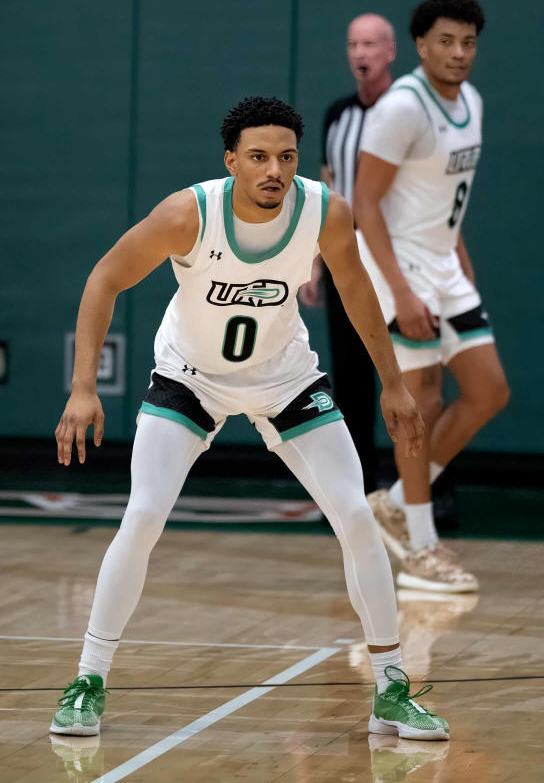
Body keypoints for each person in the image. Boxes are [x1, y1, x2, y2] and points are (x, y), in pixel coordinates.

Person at [51, 96, 449, 741]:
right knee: (144, 514)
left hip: (285, 377)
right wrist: (82, 388)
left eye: (286, 157)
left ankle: (391, 690)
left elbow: (356, 290)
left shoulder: (323, 210)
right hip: (190, 377)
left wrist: (394, 383)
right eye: (259, 157)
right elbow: (104, 278)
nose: (274, 170)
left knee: (355, 514)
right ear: (231, 160)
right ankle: (87, 681)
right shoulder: (189, 214)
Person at [354, 0, 510, 593]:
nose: (458, 52)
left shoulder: (472, 101)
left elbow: (445, 199)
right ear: (420, 45)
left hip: (442, 263)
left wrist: (458, 258)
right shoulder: (402, 108)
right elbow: (365, 203)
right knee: (420, 400)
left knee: (489, 390)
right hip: (398, 265)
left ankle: (395, 503)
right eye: (446, 41)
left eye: (468, 42)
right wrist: (399, 291)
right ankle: (420, 547)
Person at [300, 14, 396, 493]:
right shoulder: (338, 114)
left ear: (391, 52)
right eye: (353, 44)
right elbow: (330, 192)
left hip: (401, 261)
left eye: (371, 44)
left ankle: (427, 493)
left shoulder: (407, 112)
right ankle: (357, 491)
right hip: (348, 260)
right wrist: (315, 262)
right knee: (351, 379)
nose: (361, 53)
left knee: (414, 377)